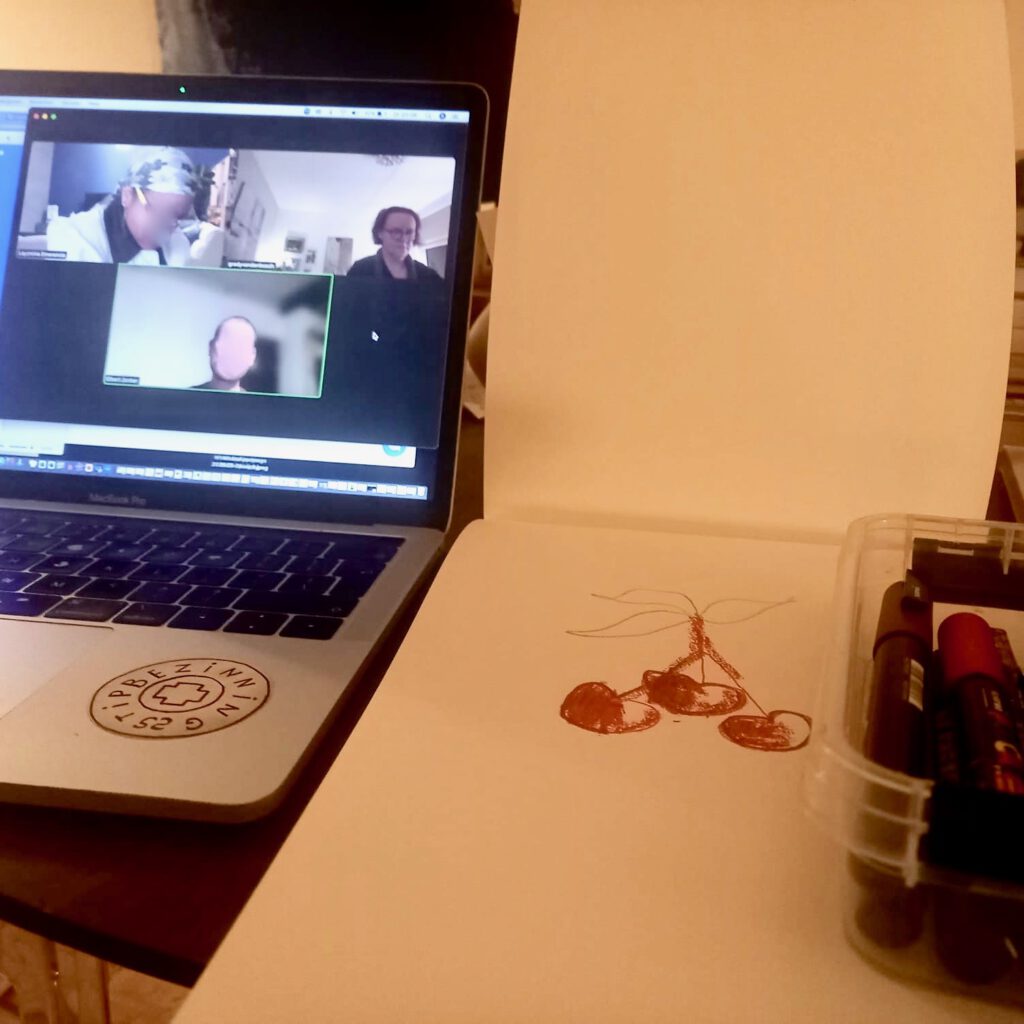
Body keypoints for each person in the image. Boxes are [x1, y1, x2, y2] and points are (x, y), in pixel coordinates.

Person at [46, 147, 201, 266]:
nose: (167, 230)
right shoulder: (74, 237)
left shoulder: (177, 243)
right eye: (160, 214)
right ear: (127, 195)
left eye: (178, 217)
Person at [346, 206, 442, 280]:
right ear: (380, 233)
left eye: (409, 232)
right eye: (396, 232)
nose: (404, 238)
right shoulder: (360, 270)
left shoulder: (429, 275)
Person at [193, 317, 258, 392]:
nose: (232, 353)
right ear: (211, 348)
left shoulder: (257, 400)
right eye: (226, 344)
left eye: (240, 347)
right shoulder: (185, 397)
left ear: (252, 357)